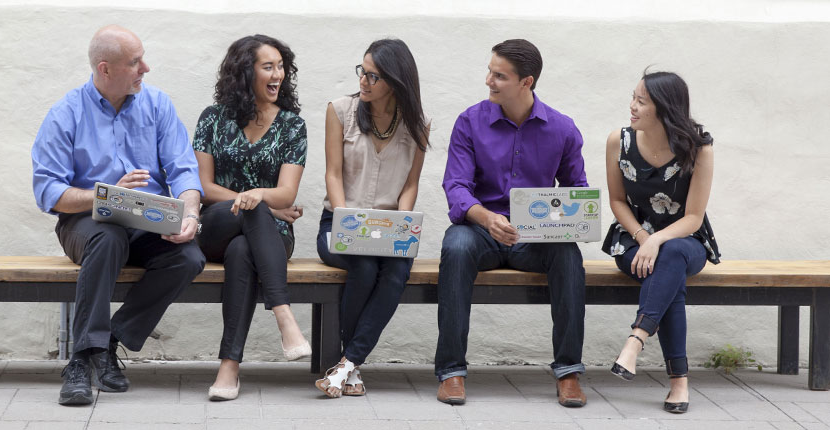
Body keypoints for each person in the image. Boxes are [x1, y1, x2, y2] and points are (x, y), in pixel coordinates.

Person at [31, 25, 205, 406]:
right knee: (107, 238)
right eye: (135, 62)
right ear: (105, 69)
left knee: (189, 256)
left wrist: (190, 213)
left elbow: (183, 169)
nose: (146, 68)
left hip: (148, 219)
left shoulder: (157, 104)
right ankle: (79, 361)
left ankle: (107, 342)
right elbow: (48, 191)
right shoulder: (66, 113)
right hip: (87, 221)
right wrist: (105, 194)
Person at [437, 39, 588, 407]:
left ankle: (568, 372)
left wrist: (561, 221)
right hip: (479, 231)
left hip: (535, 239)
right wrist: (487, 219)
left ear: (527, 82)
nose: (489, 80)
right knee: (455, 247)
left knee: (568, 256)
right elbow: (455, 185)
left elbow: (576, 191)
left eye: (499, 75)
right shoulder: (469, 121)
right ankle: (451, 372)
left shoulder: (563, 129)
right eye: (490, 71)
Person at [192, 35, 311, 401]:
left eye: (281, 66)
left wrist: (264, 201)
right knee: (254, 207)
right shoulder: (213, 119)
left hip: (269, 238)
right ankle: (284, 316)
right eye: (268, 66)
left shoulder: (292, 125)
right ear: (245, 73)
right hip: (215, 224)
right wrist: (262, 203)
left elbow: (286, 193)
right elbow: (204, 186)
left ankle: (229, 367)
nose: (279, 74)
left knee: (244, 251)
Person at [314, 39, 429, 398]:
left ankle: (347, 364)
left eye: (373, 75)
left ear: (395, 82)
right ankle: (352, 365)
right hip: (338, 224)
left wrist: (405, 225)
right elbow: (333, 174)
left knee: (395, 270)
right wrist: (347, 221)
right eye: (362, 71)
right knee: (363, 266)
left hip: (389, 229)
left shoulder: (418, 125)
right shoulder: (340, 110)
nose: (363, 80)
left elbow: (410, 184)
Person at [603, 71, 718, 414]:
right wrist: (643, 237)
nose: (632, 106)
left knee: (670, 255)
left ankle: (635, 341)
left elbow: (694, 217)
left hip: (686, 239)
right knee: (669, 276)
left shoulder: (699, 148)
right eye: (633, 97)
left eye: (641, 101)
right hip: (633, 239)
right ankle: (678, 381)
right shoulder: (618, 141)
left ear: (664, 109)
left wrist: (658, 240)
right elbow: (617, 201)